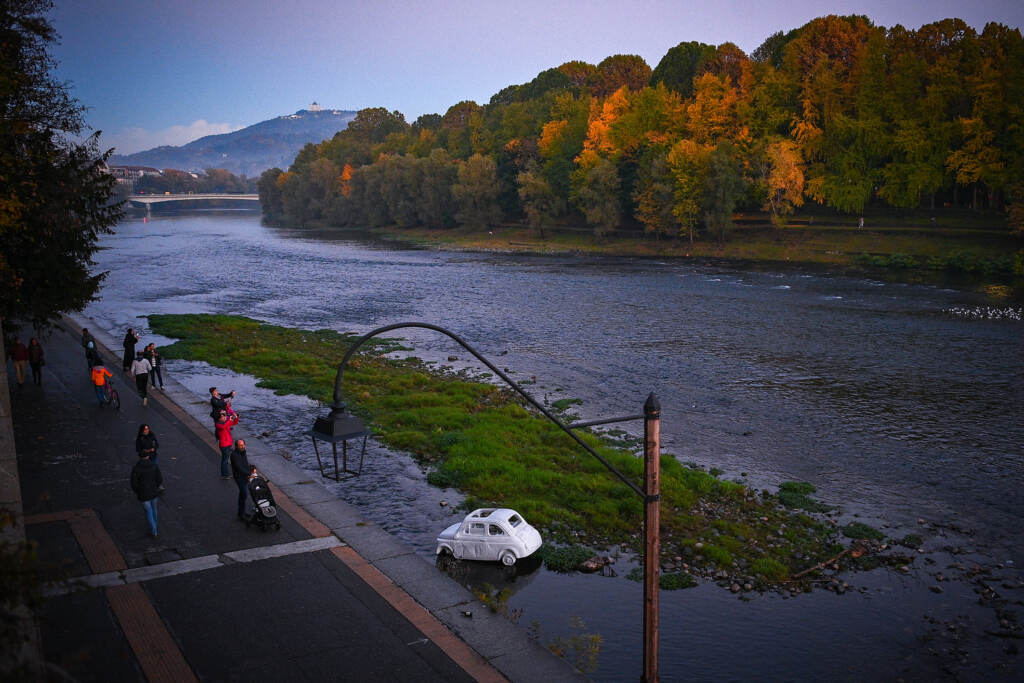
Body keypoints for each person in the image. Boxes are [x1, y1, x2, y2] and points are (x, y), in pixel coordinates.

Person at [130, 453, 162, 538]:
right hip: (153, 491)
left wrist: (138, 491)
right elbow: (159, 479)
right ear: (148, 456)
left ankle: (154, 530)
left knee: (148, 511)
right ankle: (155, 526)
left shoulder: (137, 468)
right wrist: (155, 487)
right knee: (154, 509)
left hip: (143, 494)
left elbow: (134, 483)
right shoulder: (154, 466)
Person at [230, 439, 255, 520]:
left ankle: (241, 512)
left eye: (243, 445)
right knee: (244, 494)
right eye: (240, 445)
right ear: (236, 446)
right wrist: (249, 474)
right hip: (239, 477)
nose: (243, 446)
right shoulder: (234, 455)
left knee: (243, 495)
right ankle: (241, 514)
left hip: (244, 476)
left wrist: (252, 468)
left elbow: (245, 464)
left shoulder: (243, 452)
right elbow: (239, 467)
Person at [214, 410, 239, 479]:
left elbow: (234, 422)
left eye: (225, 415)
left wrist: (236, 417)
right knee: (225, 460)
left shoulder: (225, 422)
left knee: (228, 459)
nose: (225, 417)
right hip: (224, 445)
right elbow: (223, 427)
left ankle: (227, 473)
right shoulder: (218, 424)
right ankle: (224, 474)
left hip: (229, 444)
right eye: (223, 416)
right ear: (219, 418)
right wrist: (229, 420)